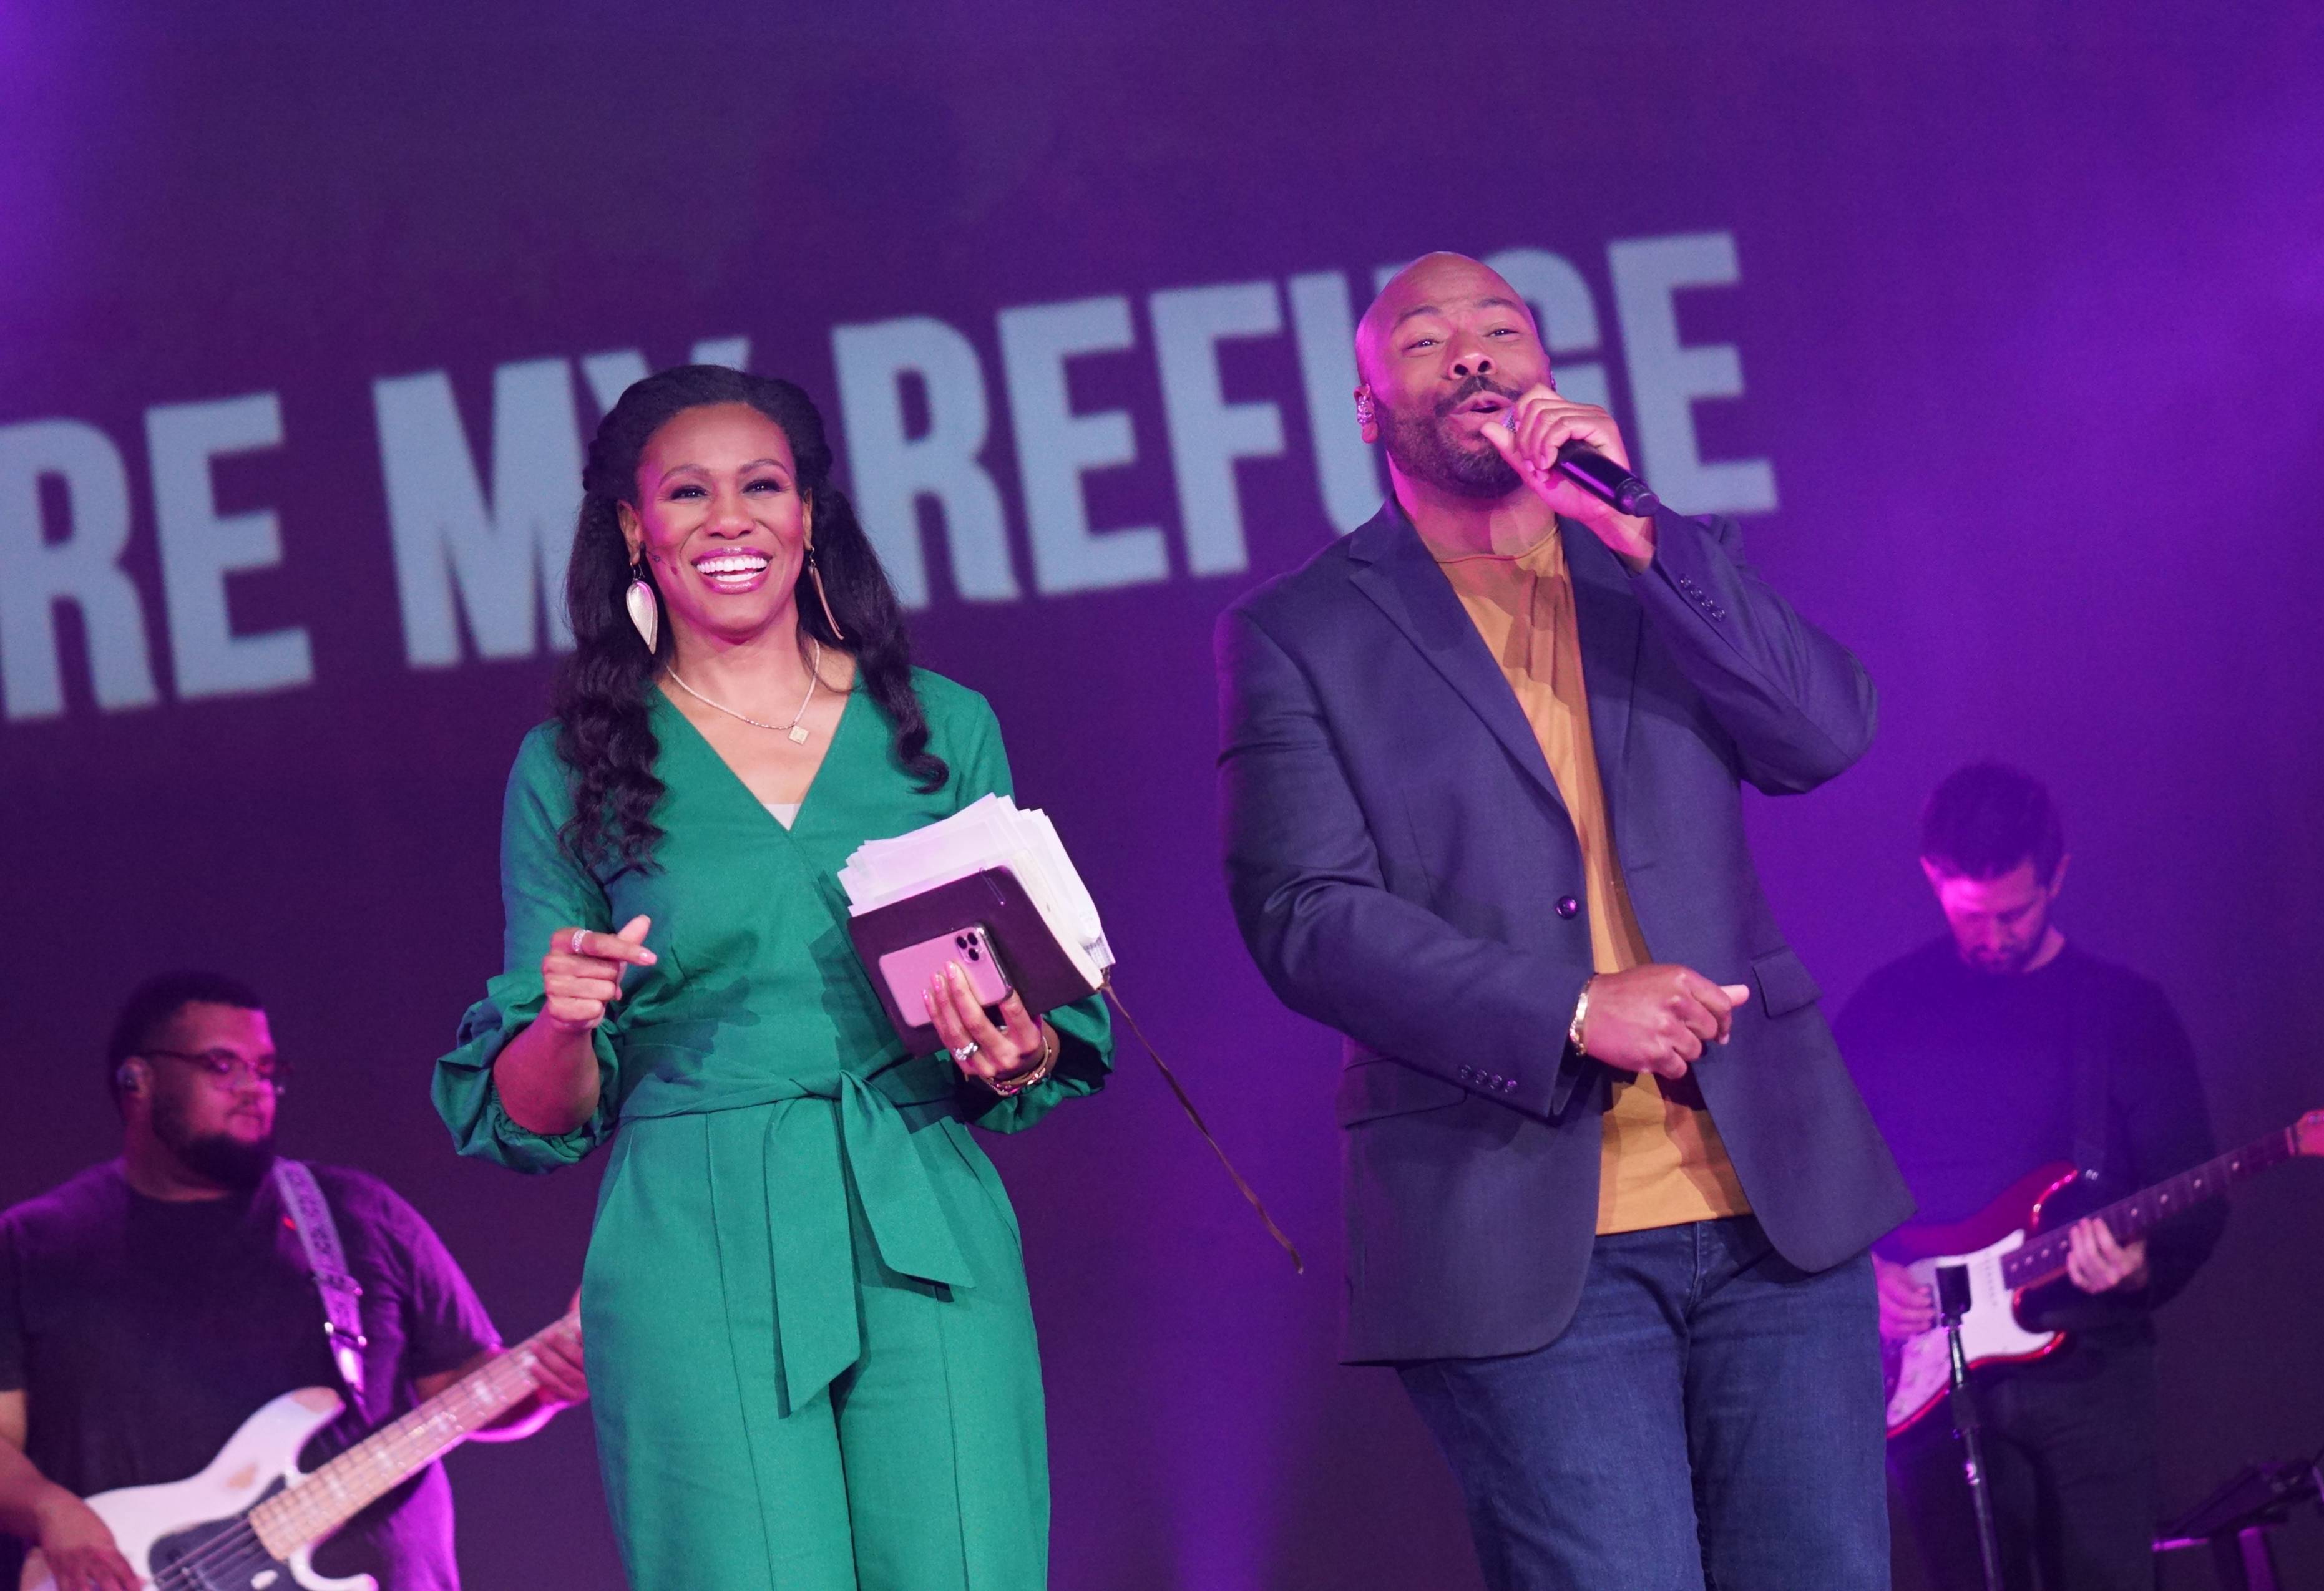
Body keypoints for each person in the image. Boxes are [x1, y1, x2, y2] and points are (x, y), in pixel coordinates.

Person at [1215, 251, 1913, 1589]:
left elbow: (1825, 734)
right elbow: (1305, 915)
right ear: (1368, 407)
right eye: (1427, 340)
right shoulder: (1301, 631)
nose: (1473, 354)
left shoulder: (1652, 564)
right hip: (1522, 1232)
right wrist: (1575, 1009)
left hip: (1772, 1207)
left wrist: (1648, 539)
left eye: (1501, 329)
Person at [432, 364, 1113, 1590]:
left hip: (919, 1208)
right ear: (635, 527)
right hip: (693, 1239)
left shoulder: (940, 727)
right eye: (687, 493)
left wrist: (1022, 1048)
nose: (729, 520)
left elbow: (1037, 1010)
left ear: (808, 514)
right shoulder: (571, 766)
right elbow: (536, 1113)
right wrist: (566, 1023)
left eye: (761, 486)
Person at [0, 972, 587, 1591]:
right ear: (136, 1079)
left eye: (266, 1069)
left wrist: (546, 1380)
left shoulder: (359, 1215)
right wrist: (51, 1512)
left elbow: (459, 1390)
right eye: (222, 1065)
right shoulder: (31, 1246)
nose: (253, 1088)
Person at [1840, 764, 2223, 1590]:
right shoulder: (1882, 1011)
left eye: (2013, 912)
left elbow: (2194, 1189)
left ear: (2057, 875)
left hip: (2088, 1364)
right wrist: (1858, 1273)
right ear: (1931, 876)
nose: (1992, 935)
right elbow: (1816, 1172)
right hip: (1930, 1371)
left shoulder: (2123, 1009)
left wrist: (2142, 1263)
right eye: (1968, 912)